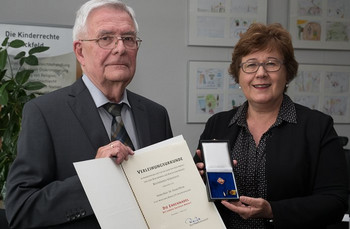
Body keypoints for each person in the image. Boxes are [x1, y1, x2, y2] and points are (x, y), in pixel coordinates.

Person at [5, 0, 173, 228]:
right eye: (106, 38)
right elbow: (21, 209)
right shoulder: (44, 113)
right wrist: (95, 178)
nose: (120, 48)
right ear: (80, 51)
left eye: (129, 38)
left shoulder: (156, 115)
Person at [194, 23, 348, 229]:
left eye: (271, 64)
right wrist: (197, 178)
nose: (261, 73)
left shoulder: (317, 126)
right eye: (250, 65)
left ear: (287, 73)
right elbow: (196, 195)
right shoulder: (218, 124)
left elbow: (336, 202)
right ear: (238, 75)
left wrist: (272, 211)